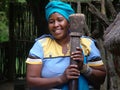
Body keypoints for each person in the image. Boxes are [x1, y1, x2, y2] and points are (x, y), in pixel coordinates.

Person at [26, 0, 106, 90]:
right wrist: (61, 79)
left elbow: (101, 78)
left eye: (60, 20)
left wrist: (83, 67)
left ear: (69, 23)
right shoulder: (41, 45)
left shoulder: (86, 44)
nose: (56, 25)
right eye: (51, 22)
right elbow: (31, 81)